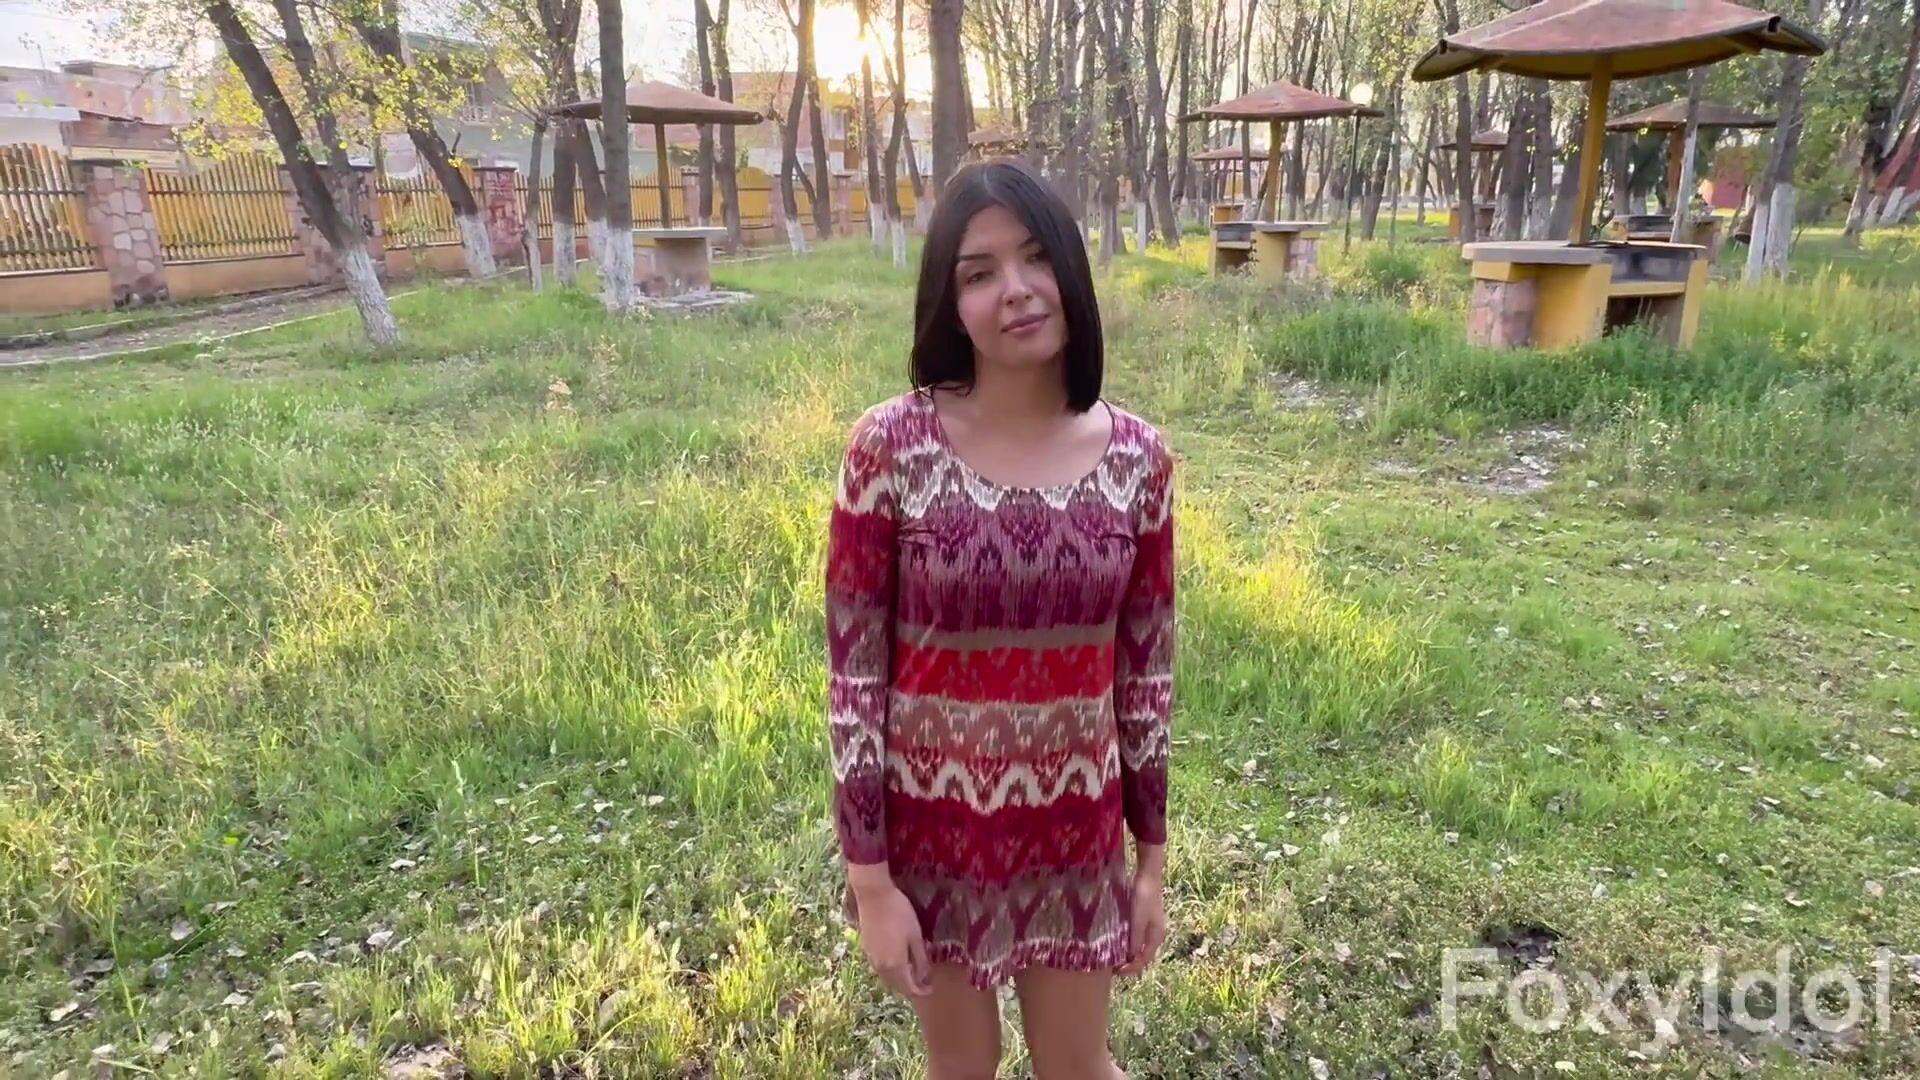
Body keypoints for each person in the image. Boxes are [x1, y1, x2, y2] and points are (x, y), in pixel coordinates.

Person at [824, 160, 1176, 1079]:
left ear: (1070, 266)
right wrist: (871, 883)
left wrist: (1150, 863)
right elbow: (855, 681)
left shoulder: (1140, 460)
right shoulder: (889, 449)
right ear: (951, 303)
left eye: (1034, 258)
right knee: (962, 1067)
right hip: (932, 839)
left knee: (1077, 1066)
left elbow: (1145, 677)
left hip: (1075, 834)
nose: (1014, 290)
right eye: (978, 273)